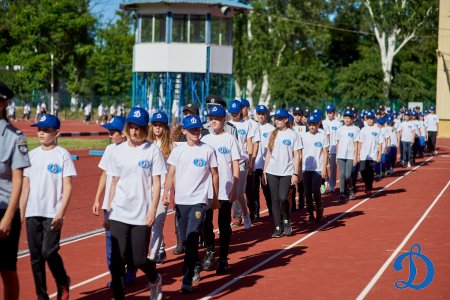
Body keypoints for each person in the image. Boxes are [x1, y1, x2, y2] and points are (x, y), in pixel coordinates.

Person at [105, 107, 165, 300]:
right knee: (117, 259)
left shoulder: (152, 151)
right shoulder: (118, 151)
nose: (133, 131)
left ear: (144, 129)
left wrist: (153, 210)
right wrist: (108, 209)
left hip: (141, 213)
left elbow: (156, 183)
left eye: (138, 128)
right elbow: (114, 181)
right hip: (119, 212)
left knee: (138, 259)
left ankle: (154, 279)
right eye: (131, 127)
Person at [20, 114, 76, 300]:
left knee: (48, 252)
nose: (41, 133)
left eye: (46, 130)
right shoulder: (31, 155)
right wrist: (21, 211)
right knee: (35, 258)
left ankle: (62, 281)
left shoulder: (63, 155)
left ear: (56, 132)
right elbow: (25, 186)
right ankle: (41, 296)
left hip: (53, 213)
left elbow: (67, 185)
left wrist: (61, 212)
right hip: (32, 212)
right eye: (39, 129)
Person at [162, 114, 219, 293]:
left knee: (193, 236)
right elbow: (170, 174)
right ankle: (194, 264)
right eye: (192, 129)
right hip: (181, 201)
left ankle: (187, 278)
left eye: (198, 129)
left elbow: (215, 174)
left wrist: (215, 197)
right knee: (186, 242)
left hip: (199, 202)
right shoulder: (178, 150)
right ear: (184, 131)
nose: (196, 132)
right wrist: (166, 193)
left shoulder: (208, 150)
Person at [91, 116, 136, 287]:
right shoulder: (110, 150)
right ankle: (116, 275)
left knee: (128, 241)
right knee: (111, 242)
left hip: (127, 203)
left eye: (112, 132)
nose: (110, 135)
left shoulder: (133, 150)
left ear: (123, 133)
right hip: (109, 205)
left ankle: (131, 270)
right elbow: (104, 174)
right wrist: (97, 199)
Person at [201, 105, 240, 274]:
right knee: (204, 222)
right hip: (207, 190)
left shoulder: (230, 139)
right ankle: (210, 249)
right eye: (211, 119)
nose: (213, 121)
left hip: (225, 189)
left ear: (224, 120)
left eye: (216, 119)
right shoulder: (205, 139)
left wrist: (235, 188)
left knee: (224, 224)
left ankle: (223, 259)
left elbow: (236, 165)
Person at [0, 81, 30, 300]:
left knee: (6, 269)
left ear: (2, 104)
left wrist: (9, 217)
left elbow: (18, 180)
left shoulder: (14, 136)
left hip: (4, 210)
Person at [262, 108, 301, 237]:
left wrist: (296, 173)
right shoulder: (272, 134)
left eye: (279, 118)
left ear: (285, 120)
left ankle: (286, 220)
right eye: (276, 118)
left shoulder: (293, 135)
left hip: (287, 172)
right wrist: (264, 171)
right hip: (272, 171)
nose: (277, 120)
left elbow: (297, 155)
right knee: (274, 199)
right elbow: (268, 153)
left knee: (283, 198)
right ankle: (278, 226)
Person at [148, 111, 173, 265]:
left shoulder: (171, 146)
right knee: (149, 223)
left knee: (157, 223)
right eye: (155, 125)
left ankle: (152, 258)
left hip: (163, 189)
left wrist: (169, 192)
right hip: (147, 191)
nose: (157, 128)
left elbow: (173, 171)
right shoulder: (146, 144)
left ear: (165, 127)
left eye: (160, 125)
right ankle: (161, 248)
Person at [227, 100, 253, 229]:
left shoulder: (247, 124)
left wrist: (250, 159)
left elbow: (249, 142)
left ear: (240, 112)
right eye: (232, 113)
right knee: (226, 192)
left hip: (242, 161)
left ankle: (246, 215)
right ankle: (227, 220)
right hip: (228, 162)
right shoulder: (227, 125)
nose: (234, 115)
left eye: (236, 113)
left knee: (239, 191)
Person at [301, 114, 329, 224]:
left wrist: (324, 169)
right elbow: (300, 153)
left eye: (314, 124)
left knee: (315, 190)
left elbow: (325, 153)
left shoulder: (322, 136)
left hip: (318, 169)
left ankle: (319, 209)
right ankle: (311, 215)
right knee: (307, 193)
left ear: (318, 124)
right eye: (310, 124)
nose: (312, 127)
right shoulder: (303, 136)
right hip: (306, 169)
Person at [240, 99, 261, 222]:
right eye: (240, 107)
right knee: (237, 191)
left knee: (250, 190)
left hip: (250, 162)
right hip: (238, 161)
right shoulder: (233, 124)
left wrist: (252, 161)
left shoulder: (253, 124)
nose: (241, 110)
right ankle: (238, 216)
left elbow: (255, 144)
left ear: (247, 108)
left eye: (243, 107)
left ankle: (253, 212)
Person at [254, 105, 275, 216]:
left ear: (266, 114)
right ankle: (256, 213)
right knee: (254, 191)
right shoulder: (252, 126)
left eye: (263, 114)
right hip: (254, 164)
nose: (261, 116)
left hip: (267, 165)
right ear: (256, 114)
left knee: (267, 190)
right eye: (259, 113)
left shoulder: (271, 129)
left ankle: (272, 210)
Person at [336, 109, 360, 203]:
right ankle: (341, 193)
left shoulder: (356, 129)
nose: (347, 120)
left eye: (348, 118)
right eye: (345, 118)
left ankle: (350, 188)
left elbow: (356, 144)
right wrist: (337, 156)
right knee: (342, 175)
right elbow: (337, 143)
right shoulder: (340, 129)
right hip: (341, 155)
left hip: (350, 156)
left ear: (352, 119)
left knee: (347, 175)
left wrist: (356, 156)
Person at [357, 112, 382, 195]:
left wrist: (379, 155)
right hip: (363, 155)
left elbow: (380, 143)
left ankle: (369, 187)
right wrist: (358, 154)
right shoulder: (363, 130)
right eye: (368, 119)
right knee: (362, 171)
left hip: (373, 155)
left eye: (371, 119)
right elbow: (360, 142)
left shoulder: (377, 129)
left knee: (370, 172)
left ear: (374, 120)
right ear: (366, 120)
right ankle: (366, 184)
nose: (370, 120)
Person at [322, 104, 341, 193]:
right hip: (325, 148)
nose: (329, 114)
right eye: (328, 112)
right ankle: (326, 180)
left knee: (333, 168)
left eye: (331, 112)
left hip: (333, 148)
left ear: (334, 113)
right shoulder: (323, 122)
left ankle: (332, 185)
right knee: (323, 166)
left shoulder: (338, 123)